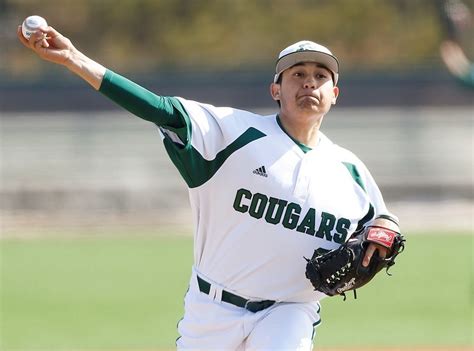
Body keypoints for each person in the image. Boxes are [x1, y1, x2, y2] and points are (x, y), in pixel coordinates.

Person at [18, 24, 398, 350]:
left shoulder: (352, 172)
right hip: (214, 307)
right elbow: (158, 108)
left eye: (320, 76)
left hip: (290, 310)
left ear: (334, 94)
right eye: (297, 74)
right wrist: (73, 59)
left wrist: (386, 233)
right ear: (276, 90)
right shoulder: (233, 132)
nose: (309, 82)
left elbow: (382, 225)